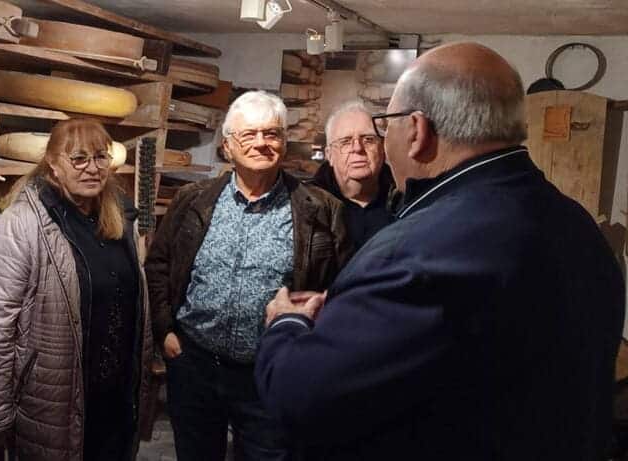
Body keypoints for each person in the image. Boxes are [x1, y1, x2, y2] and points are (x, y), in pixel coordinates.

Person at [257, 42, 626, 461]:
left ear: (417, 130)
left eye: (384, 125)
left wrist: (287, 324)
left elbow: (299, 396)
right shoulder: (575, 223)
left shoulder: (419, 249)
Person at [145, 90, 350, 461]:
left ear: (284, 143)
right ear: (227, 146)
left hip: (270, 372)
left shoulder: (320, 209)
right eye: (249, 134)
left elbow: (339, 290)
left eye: (272, 134)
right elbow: (159, 264)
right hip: (195, 365)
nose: (261, 143)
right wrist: (165, 331)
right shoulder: (193, 200)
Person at [0, 119, 152, 461]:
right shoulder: (23, 224)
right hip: (54, 400)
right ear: (53, 164)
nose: (92, 169)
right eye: (79, 159)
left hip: (114, 398)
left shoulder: (119, 218)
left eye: (100, 157)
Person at [311, 100, 396, 248]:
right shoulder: (307, 206)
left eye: (368, 140)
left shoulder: (405, 201)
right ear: (329, 155)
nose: (357, 148)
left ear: (382, 149)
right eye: (345, 141)